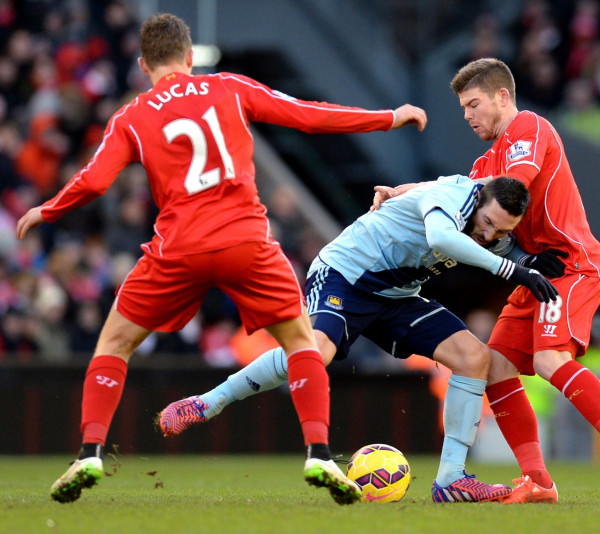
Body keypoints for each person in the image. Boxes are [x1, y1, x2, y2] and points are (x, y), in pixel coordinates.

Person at [15, 13, 428, 505]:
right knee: (300, 341)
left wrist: (49, 207)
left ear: (144, 64)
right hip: (245, 242)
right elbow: (306, 114)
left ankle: (89, 451)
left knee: (115, 343)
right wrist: (388, 118)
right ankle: (318, 452)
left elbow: (96, 180)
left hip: (178, 248)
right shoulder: (228, 86)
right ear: (190, 57)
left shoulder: (132, 115)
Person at [158, 175, 559, 503]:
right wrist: (512, 270)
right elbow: (440, 239)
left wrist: (527, 260)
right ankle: (207, 402)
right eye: (487, 223)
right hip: (345, 276)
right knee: (315, 354)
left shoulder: (489, 224)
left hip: (396, 295)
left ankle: (452, 479)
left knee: (474, 357)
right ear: (478, 199)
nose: (489, 235)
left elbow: (502, 248)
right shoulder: (453, 196)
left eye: (500, 231)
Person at [372, 57, 600, 503]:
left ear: (502, 97)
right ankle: (537, 481)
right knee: (496, 367)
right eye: (463, 108)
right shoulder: (489, 156)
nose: (467, 116)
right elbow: (457, 190)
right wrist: (400, 193)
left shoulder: (529, 127)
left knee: (547, 360)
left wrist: (456, 201)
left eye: (474, 104)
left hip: (571, 265)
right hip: (534, 273)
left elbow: (512, 189)